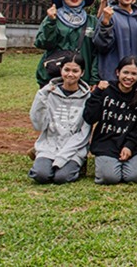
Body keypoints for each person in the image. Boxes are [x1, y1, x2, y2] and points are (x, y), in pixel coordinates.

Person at [83, 56, 137, 184]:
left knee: (133, 177)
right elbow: (89, 117)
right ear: (117, 72)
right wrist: (96, 93)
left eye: (134, 74)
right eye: (125, 72)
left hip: (131, 142)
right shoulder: (106, 90)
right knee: (110, 177)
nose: (129, 77)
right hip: (107, 141)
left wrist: (129, 146)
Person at [28, 53, 91, 184]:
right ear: (61, 70)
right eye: (66, 70)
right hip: (50, 144)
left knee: (61, 178)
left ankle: (79, 164)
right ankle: (41, 158)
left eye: (75, 71)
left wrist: (63, 157)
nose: (70, 74)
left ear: (82, 73)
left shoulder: (88, 98)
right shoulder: (49, 93)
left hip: (73, 148)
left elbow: (83, 133)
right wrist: (41, 98)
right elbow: (39, 125)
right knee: (41, 176)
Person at [34, 0, 99, 87]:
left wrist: (94, 79)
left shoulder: (92, 21)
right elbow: (43, 43)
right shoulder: (53, 17)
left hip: (82, 79)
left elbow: (97, 52)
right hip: (54, 77)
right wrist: (51, 22)